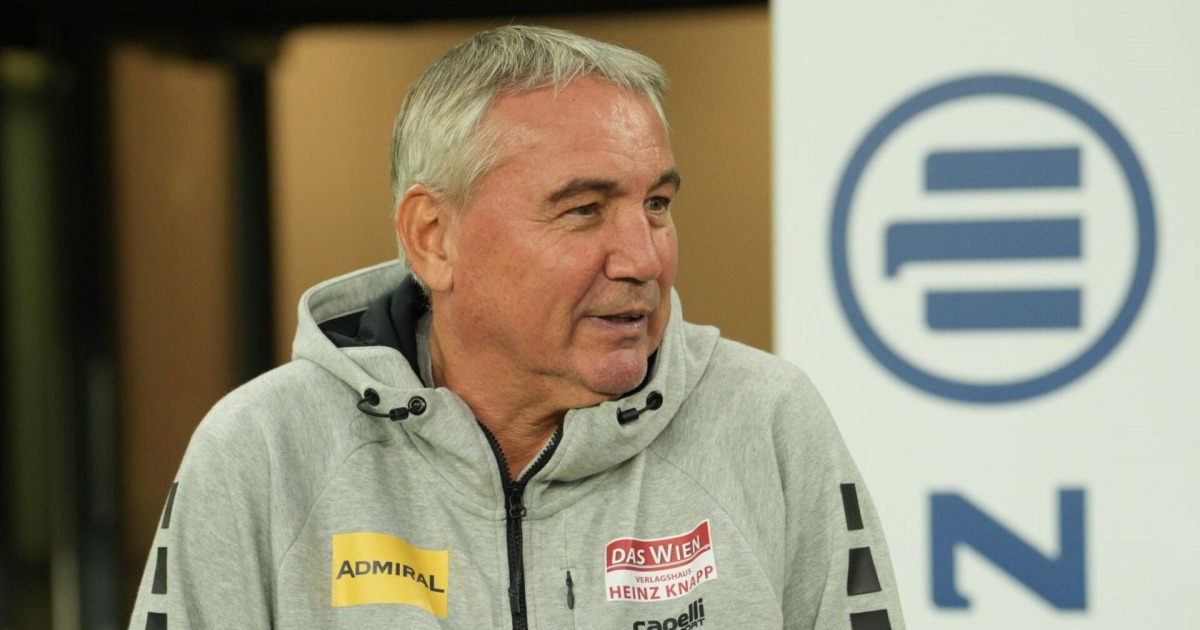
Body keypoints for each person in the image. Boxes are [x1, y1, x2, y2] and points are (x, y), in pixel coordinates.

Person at [130, 25, 904, 630]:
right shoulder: (263, 452)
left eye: (657, 205)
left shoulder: (764, 421)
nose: (643, 257)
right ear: (434, 237)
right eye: (584, 210)